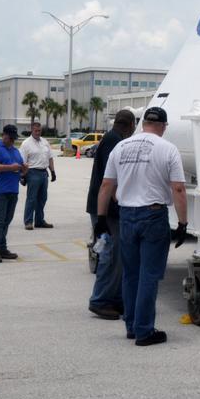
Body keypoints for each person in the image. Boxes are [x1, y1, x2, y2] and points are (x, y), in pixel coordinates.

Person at [96, 107, 187, 346]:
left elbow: (106, 185)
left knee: (131, 274)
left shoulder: (121, 147)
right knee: (149, 275)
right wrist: (183, 223)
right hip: (153, 215)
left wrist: (101, 218)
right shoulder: (168, 149)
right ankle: (144, 330)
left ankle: (132, 326)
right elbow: (178, 188)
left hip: (126, 215)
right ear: (163, 126)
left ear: (143, 123)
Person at [87, 109, 136, 319]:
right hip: (107, 210)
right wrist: (119, 202)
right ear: (130, 125)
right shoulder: (114, 141)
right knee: (110, 256)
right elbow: (110, 180)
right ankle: (100, 300)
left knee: (117, 257)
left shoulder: (112, 139)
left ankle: (115, 299)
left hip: (105, 208)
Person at [0, 124, 27, 263]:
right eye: (10, 138)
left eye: (14, 139)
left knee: (6, 221)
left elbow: (20, 170)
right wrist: (11, 167)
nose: (12, 141)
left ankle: (2, 248)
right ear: (3, 135)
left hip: (13, 190)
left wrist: (24, 170)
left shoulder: (16, 151)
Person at [20, 121, 56, 230]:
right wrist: (23, 176)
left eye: (39, 130)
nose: (38, 132)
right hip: (32, 172)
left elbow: (50, 158)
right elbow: (22, 162)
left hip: (44, 173)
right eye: (35, 130)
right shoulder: (26, 144)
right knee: (32, 199)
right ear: (31, 130)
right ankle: (28, 222)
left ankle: (39, 221)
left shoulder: (45, 142)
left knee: (42, 198)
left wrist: (53, 172)